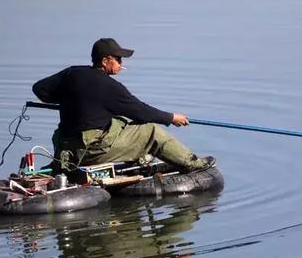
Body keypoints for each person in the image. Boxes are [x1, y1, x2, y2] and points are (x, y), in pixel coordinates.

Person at [32, 37, 215, 172]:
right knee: (150, 131)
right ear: (105, 61)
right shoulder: (111, 87)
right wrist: (171, 118)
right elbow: (141, 112)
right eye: (117, 59)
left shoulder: (72, 73)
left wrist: (71, 100)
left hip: (67, 149)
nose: (121, 63)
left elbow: (39, 89)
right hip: (91, 151)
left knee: (118, 120)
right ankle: (192, 163)